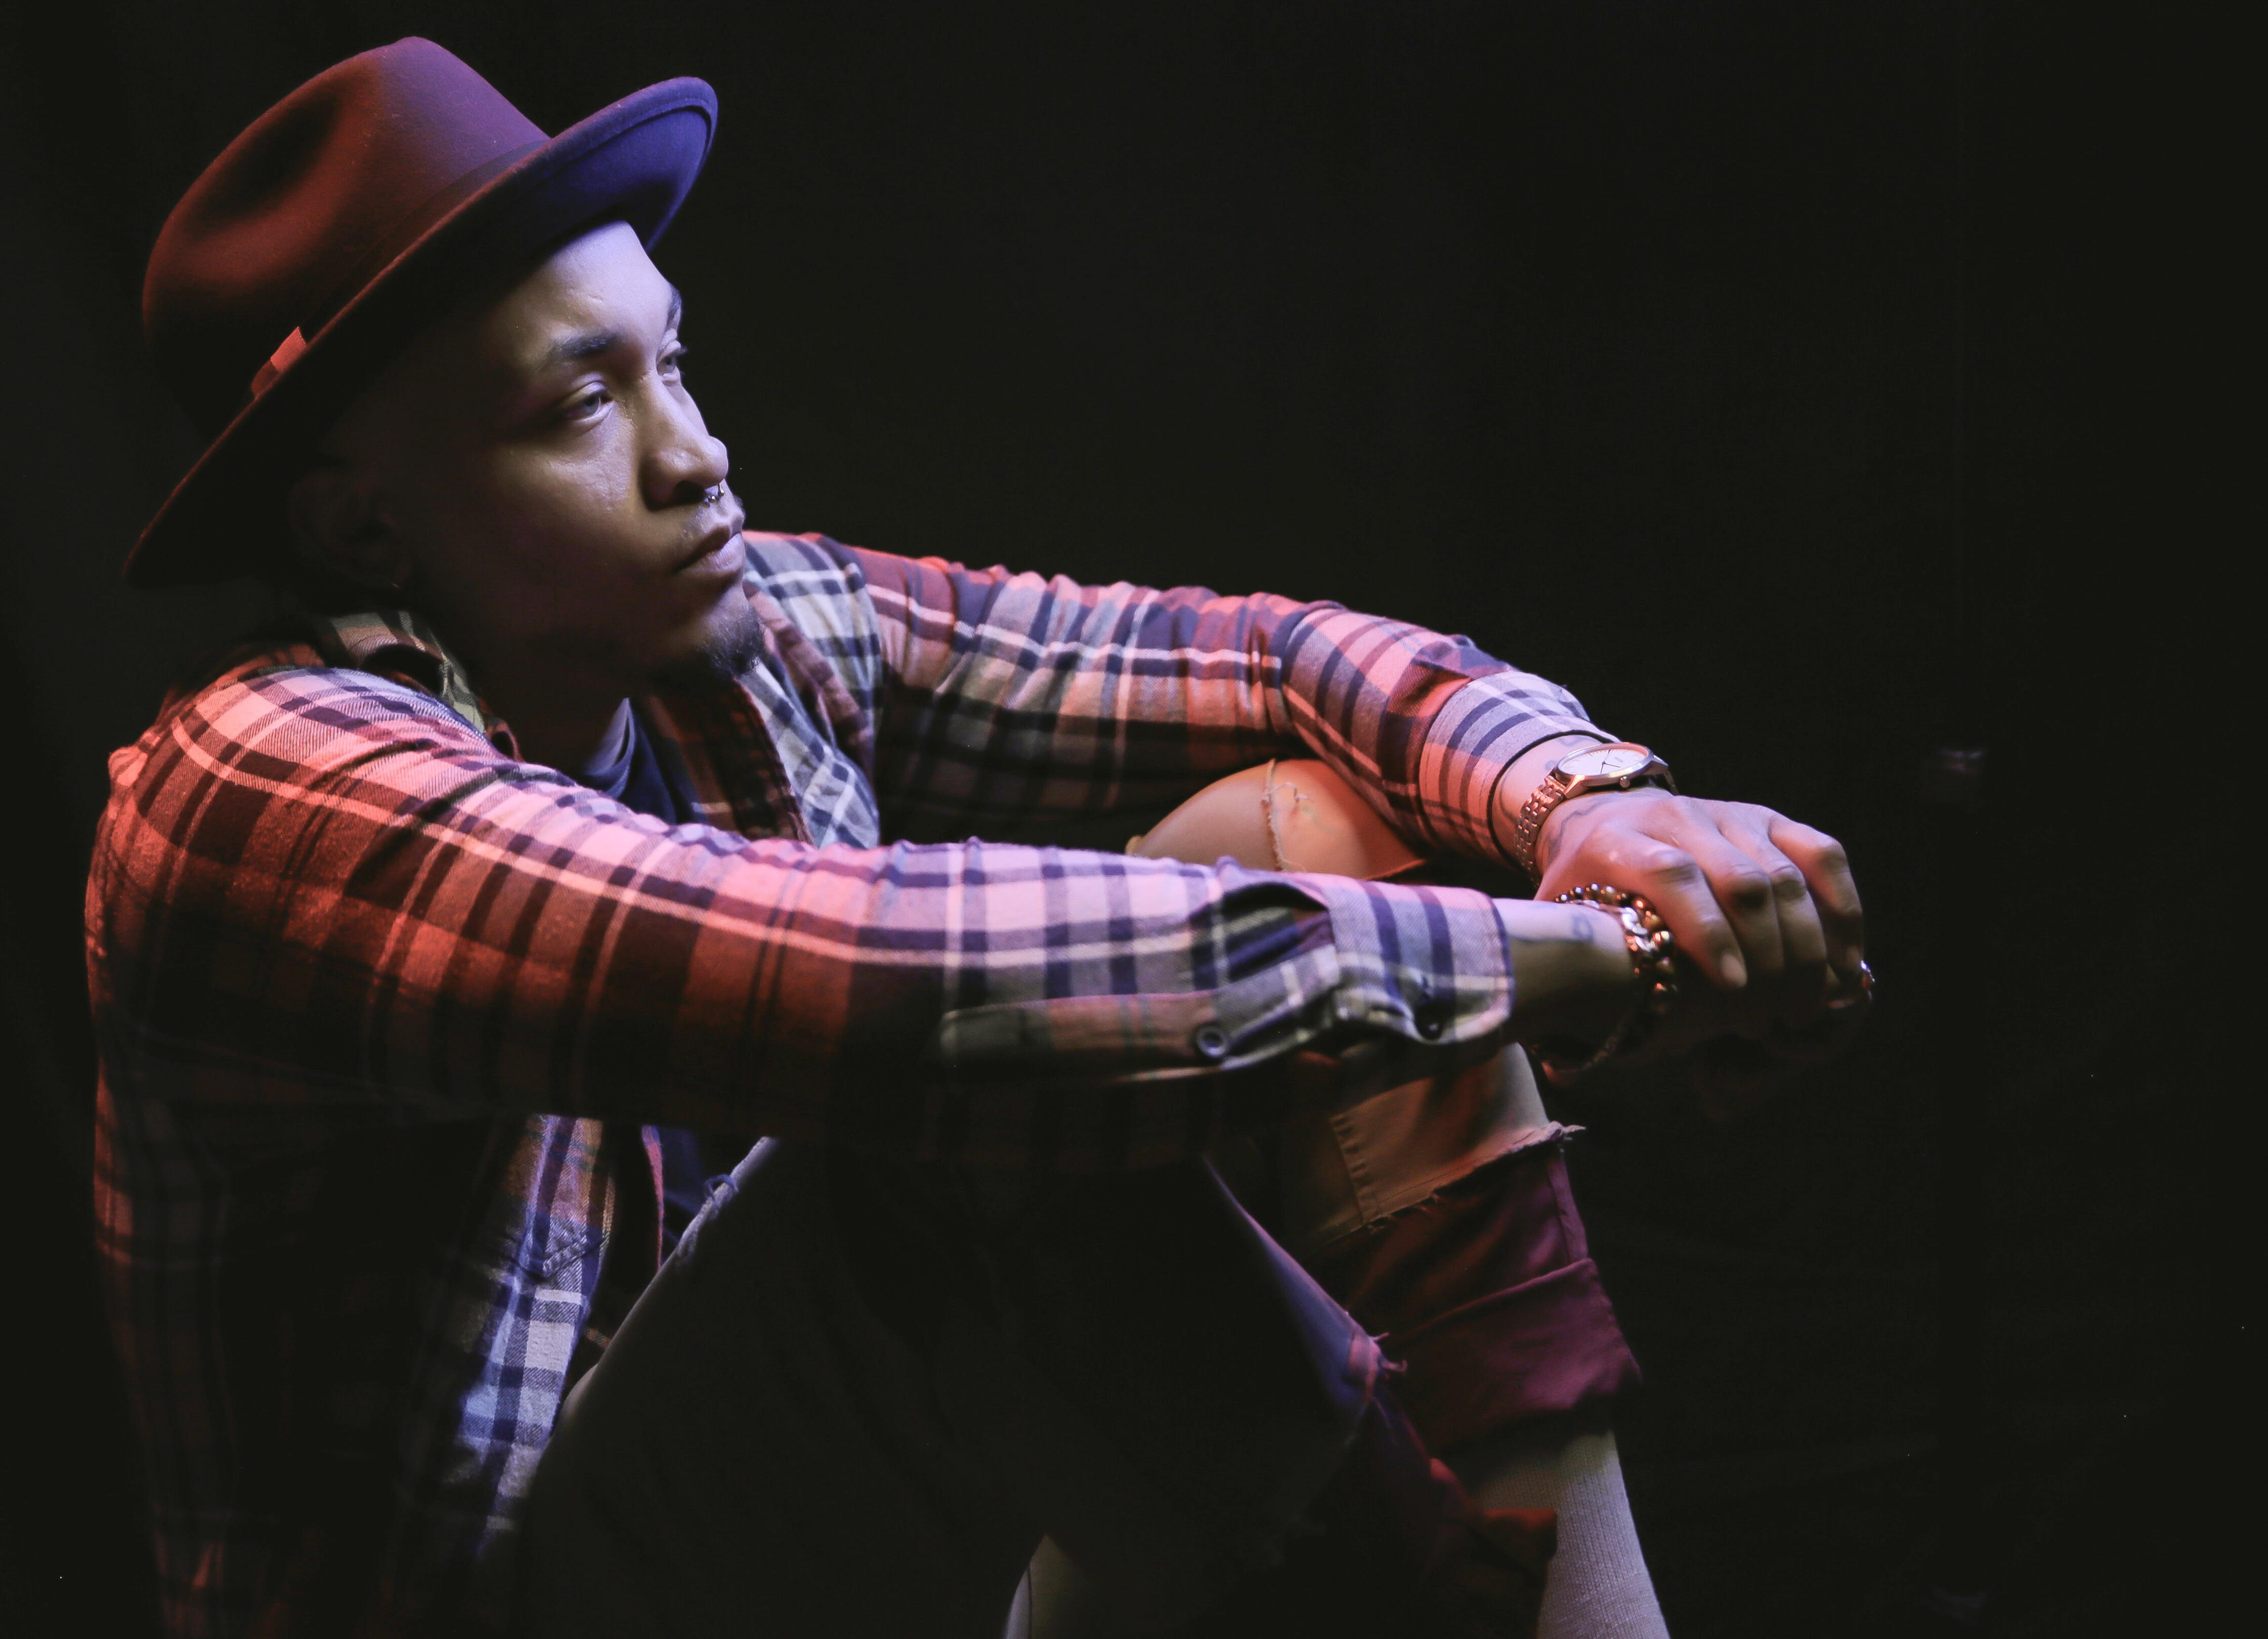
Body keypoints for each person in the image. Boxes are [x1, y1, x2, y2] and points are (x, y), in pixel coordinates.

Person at [89, 38, 1868, 1639]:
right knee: (963, 1108)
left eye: (671, 361)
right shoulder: (255, 792)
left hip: (867, 1549)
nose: (695, 455)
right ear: (366, 532)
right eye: (578, 405)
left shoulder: (737, 634)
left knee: (1298, 823)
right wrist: (1603, 962)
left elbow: (1262, 661)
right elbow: (905, 995)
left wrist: (1592, 813)